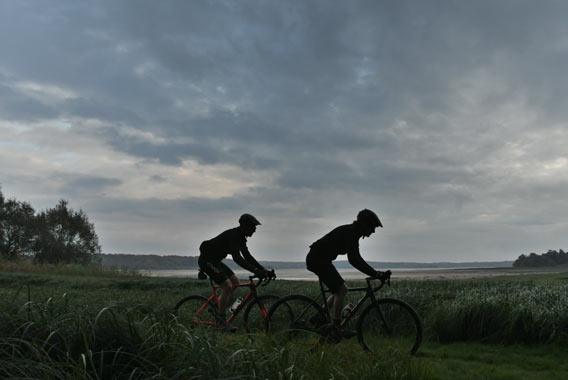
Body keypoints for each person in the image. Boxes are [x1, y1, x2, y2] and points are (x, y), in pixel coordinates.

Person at [306, 209, 384, 336]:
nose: (373, 231)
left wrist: (375, 273)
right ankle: (337, 328)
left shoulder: (353, 233)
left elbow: (356, 258)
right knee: (342, 290)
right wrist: (375, 274)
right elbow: (354, 260)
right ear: (365, 224)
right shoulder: (350, 233)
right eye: (372, 227)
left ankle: (318, 318)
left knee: (338, 290)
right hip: (318, 260)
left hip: (320, 259)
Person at [198, 213, 269, 331]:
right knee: (227, 286)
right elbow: (237, 258)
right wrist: (255, 270)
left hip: (215, 261)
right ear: (244, 226)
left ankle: (216, 307)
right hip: (207, 261)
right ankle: (221, 322)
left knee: (235, 281)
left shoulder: (241, 237)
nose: (255, 230)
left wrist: (262, 269)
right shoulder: (234, 235)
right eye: (253, 227)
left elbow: (247, 256)